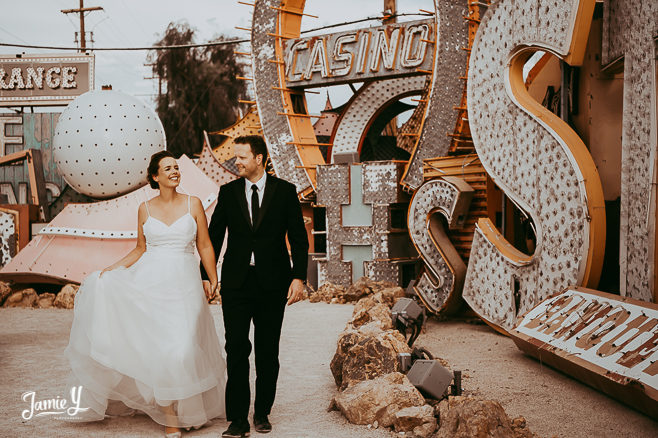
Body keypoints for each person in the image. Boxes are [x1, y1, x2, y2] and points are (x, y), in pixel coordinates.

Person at [63, 150, 226, 438]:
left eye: (177, 167)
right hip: (151, 285)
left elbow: (205, 245)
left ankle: (186, 407)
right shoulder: (145, 209)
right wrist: (109, 271)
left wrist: (213, 278)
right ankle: (170, 413)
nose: (175, 171)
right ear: (155, 177)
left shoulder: (194, 204)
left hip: (185, 285)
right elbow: (140, 248)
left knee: (183, 349)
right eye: (168, 168)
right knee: (160, 350)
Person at [201, 135, 309, 437]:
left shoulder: (285, 192)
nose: (237, 162)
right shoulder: (229, 192)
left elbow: (299, 239)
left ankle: (262, 412)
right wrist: (207, 276)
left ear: (259, 158)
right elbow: (214, 238)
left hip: (273, 284)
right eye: (237, 157)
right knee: (236, 348)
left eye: (242, 157)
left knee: (266, 351)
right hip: (236, 283)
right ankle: (238, 418)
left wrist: (298, 277)